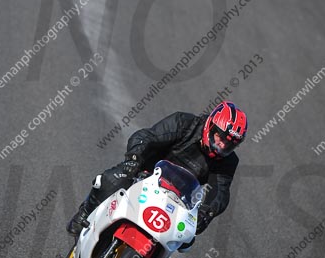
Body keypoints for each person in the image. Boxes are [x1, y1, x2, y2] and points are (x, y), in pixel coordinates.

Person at [67, 102, 248, 241]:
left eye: (230, 143)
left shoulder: (228, 161)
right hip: (145, 174)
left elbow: (220, 192)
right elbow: (147, 137)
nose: (223, 145)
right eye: (221, 137)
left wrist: (207, 212)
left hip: (178, 200)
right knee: (113, 179)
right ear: (211, 126)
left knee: (186, 239)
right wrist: (134, 159)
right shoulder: (184, 123)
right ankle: (86, 212)